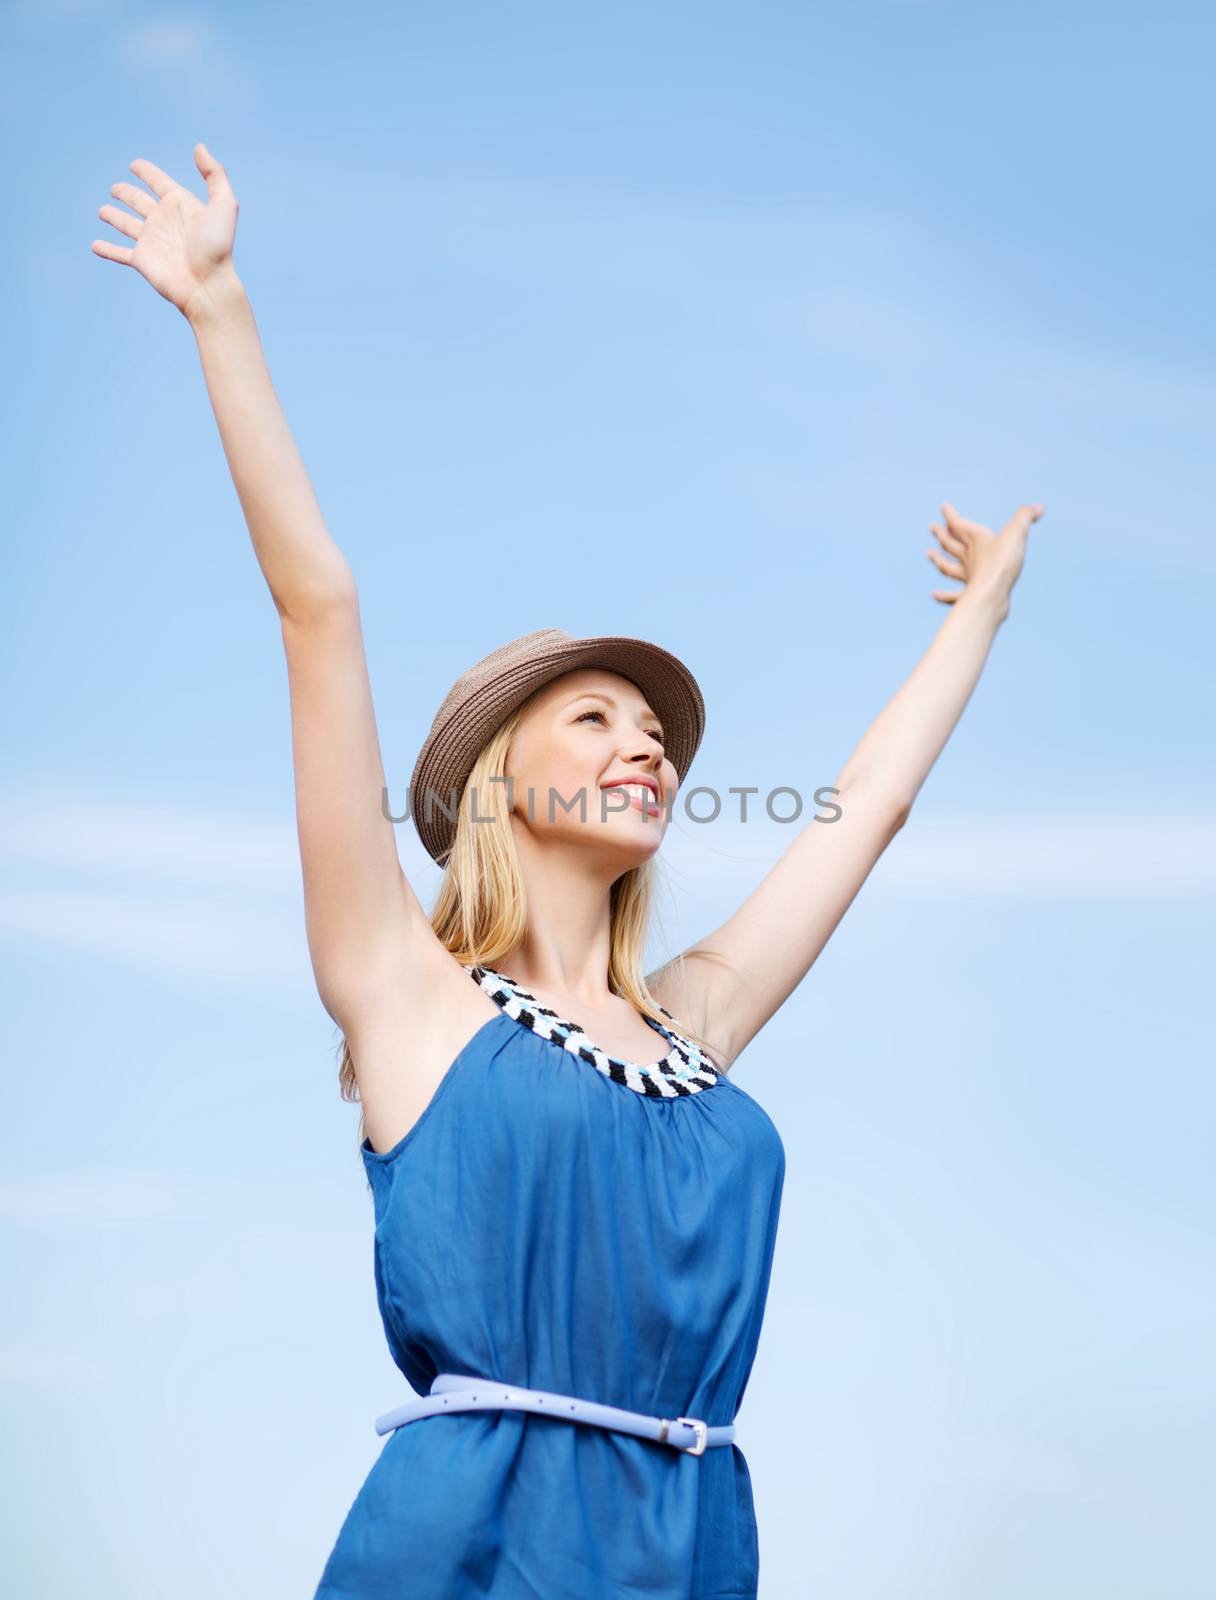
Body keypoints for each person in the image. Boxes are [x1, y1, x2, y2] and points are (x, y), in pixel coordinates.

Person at [91, 144, 1046, 1600]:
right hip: (476, 1546)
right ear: (497, 783)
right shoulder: (407, 997)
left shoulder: (694, 1028)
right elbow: (319, 611)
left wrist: (979, 611)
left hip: (691, 1542)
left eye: (657, 733)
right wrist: (220, 310)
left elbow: (867, 810)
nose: (645, 747)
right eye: (594, 719)